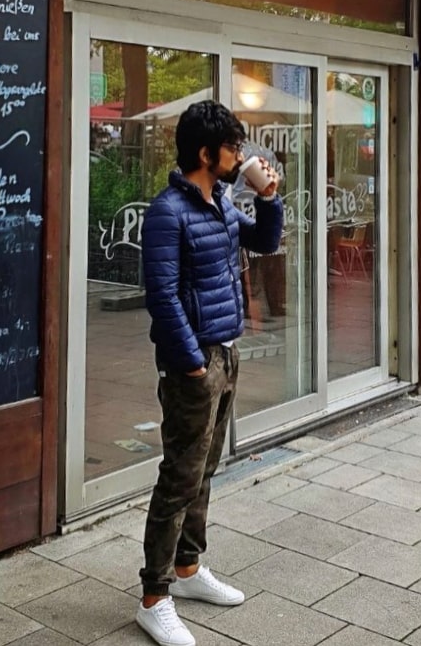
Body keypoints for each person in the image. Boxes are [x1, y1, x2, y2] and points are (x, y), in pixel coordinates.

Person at [137, 100, 283, 646]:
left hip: (226, 353)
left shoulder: (220, 200)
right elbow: (163, 297)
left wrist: (269, 199)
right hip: (193, 365)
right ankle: (154, 598)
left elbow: (264, 242)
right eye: (233, 147)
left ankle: (188, 570)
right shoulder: (167, 212)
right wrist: (193, 364)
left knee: (204, 471)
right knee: (179, 477)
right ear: (206, 153)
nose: (240, 155)